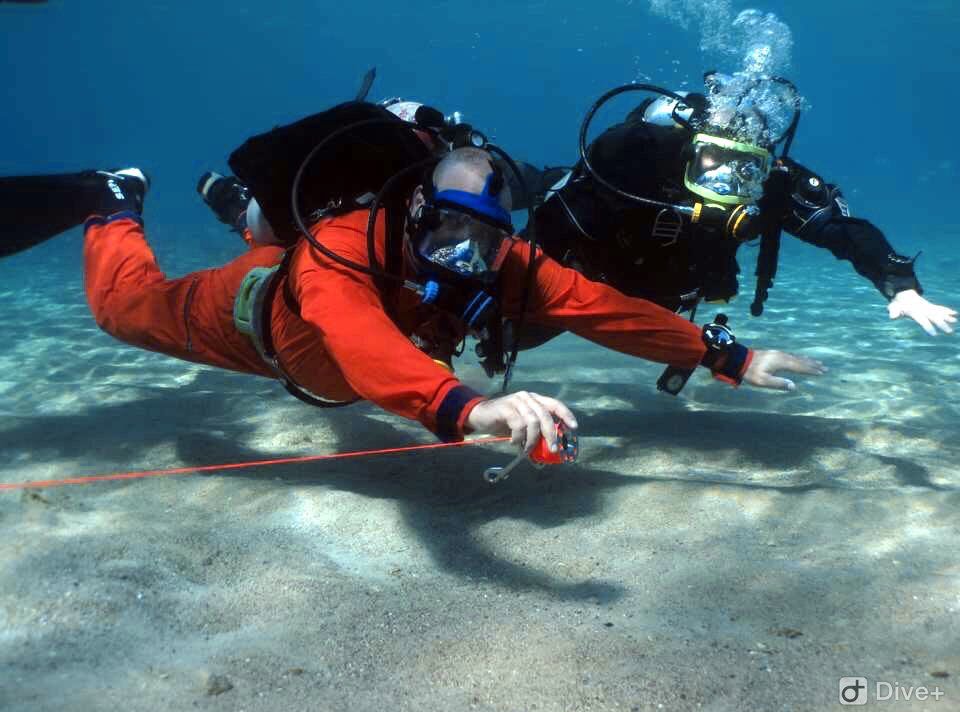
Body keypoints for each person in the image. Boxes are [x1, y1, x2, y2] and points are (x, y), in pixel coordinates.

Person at [73, 136, 824, 452]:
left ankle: (243, 209)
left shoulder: (507, 261)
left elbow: (604, 310)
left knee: (276, 238)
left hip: (308, 292)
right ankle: (114, 202)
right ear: (416, 211)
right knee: (119, 310)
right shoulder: (344, 246)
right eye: (448, 233)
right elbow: (359, 344)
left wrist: (728, 357)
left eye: (486, 241)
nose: (466, 257)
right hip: (249, 319)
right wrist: (469, 408)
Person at [520, 74, 955, 366]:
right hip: (586, 278)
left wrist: (899, 286)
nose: (728, 179)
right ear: (688, 152)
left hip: (659, 303)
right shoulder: (641, 162)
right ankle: (521, 178)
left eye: (747, 166)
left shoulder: (770, 184)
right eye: (713, 160)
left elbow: (842, 231)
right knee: (512, 333)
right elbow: (553, 229)